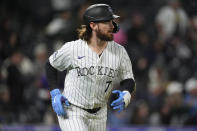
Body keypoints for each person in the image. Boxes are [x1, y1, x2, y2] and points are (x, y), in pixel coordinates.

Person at [45, 4, 136, 131]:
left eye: (112, 21)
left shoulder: (119, 51)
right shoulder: (73, 48)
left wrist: (126, 94)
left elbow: (128, 79)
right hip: (73, 110)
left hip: (100, 114)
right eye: (106, 22)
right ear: (93, 25)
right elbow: (50, 65)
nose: (112, 26)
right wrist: (55, 92)